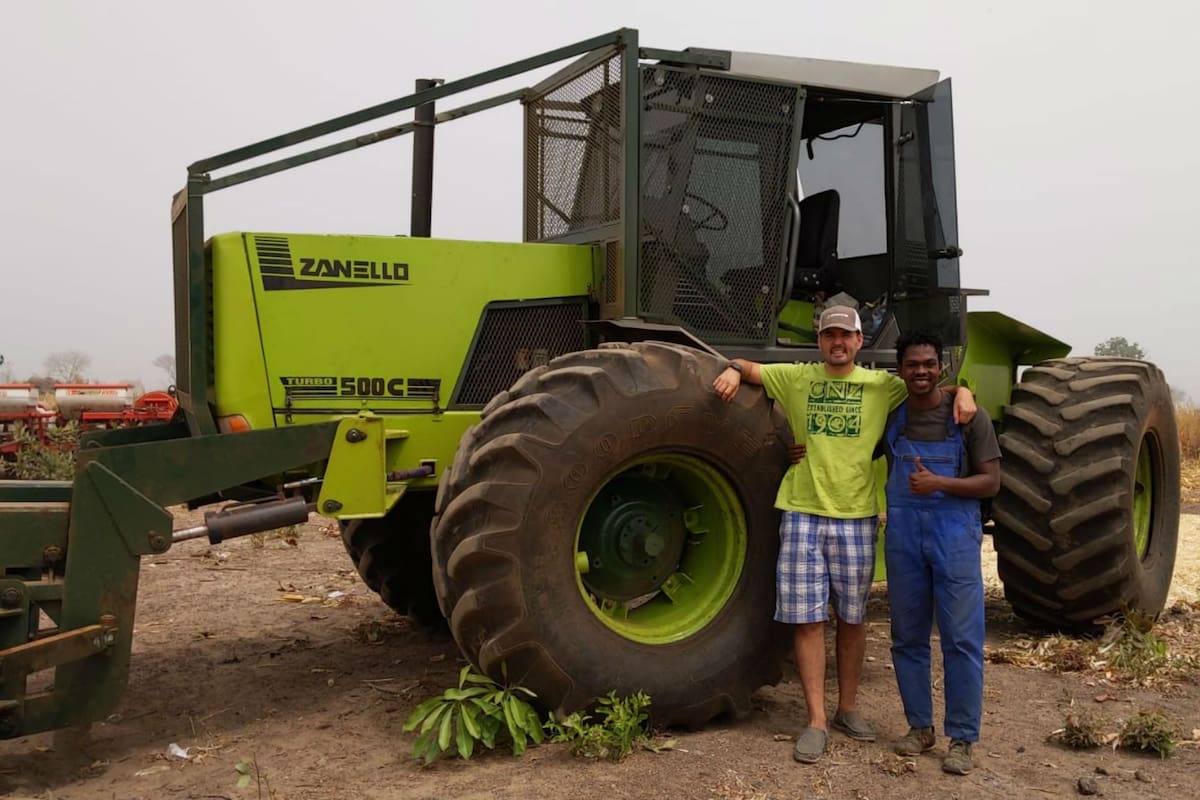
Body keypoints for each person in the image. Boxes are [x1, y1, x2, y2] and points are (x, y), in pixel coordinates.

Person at [712, 306, 975, 764]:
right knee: (808, 619)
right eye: (829, 334)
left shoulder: (882, 386)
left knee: (852, 619)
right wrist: (733, 370)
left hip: (856, 516)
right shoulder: (797, 378)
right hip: (802, 513)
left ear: (858, 341)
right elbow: (749, 367)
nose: (838, 342)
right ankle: (815, 720)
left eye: (846, 335)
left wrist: (964, 392)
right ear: (820, 341)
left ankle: (847, 709)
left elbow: (928, 386)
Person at [879, 330, 1000, 775]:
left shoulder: (970, 418)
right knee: (907, 637)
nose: (922, 372)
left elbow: (991, 483)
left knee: (962, 640)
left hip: (955, 535)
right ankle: (919, 728)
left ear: (942, 367)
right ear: (900, 370)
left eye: (929, 364)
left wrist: (940, 484)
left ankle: (963, 739)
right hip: (905, 538)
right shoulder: (892, 417)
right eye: (913, 365)